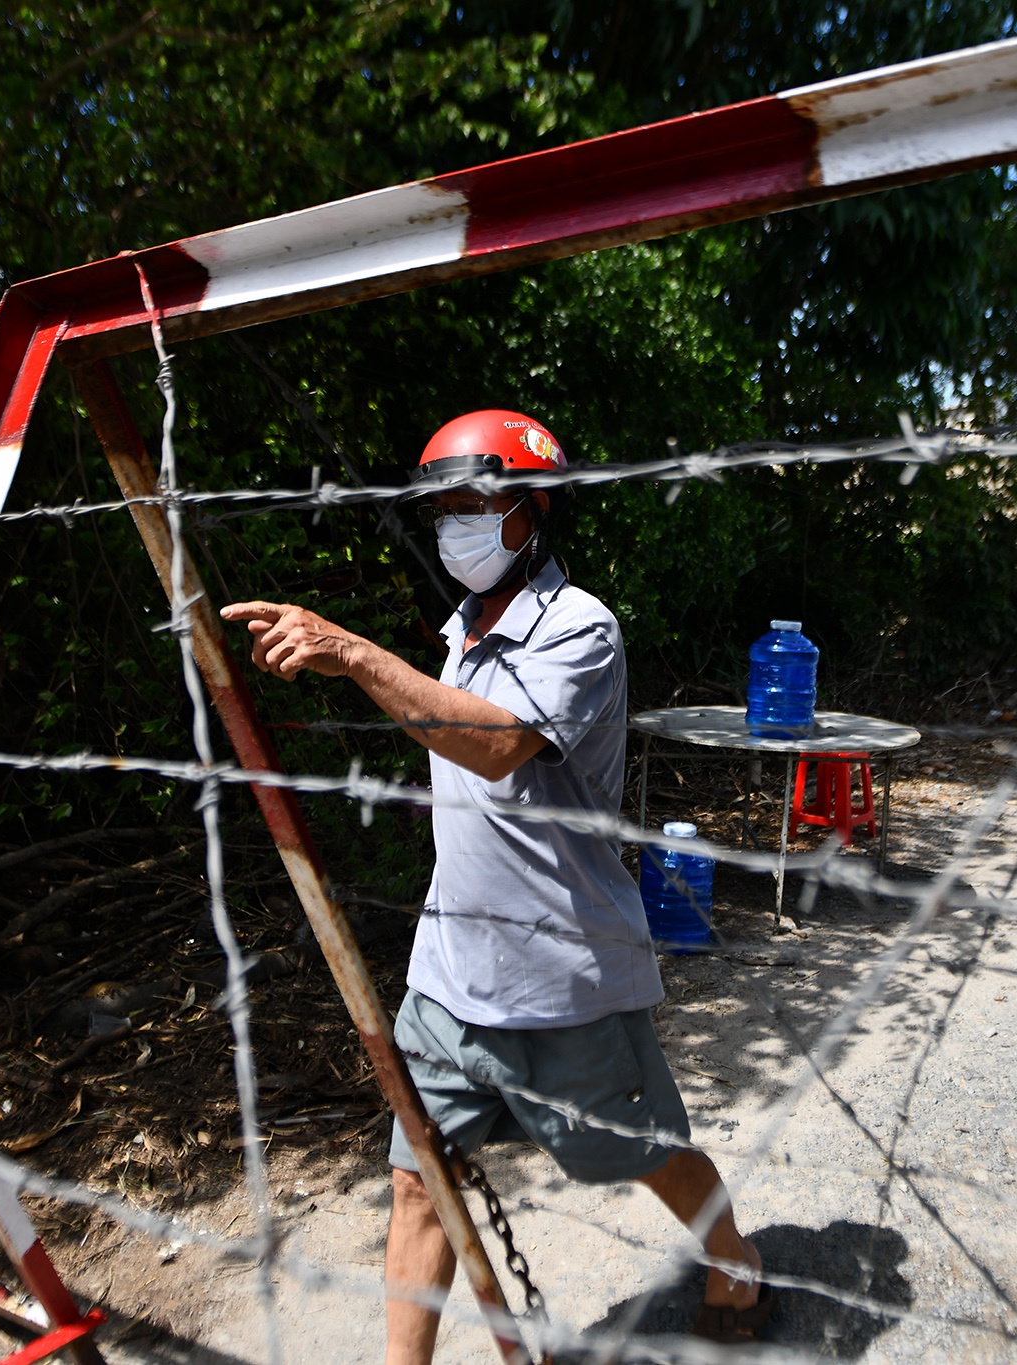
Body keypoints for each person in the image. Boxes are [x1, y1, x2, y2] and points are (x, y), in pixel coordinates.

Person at [222, 409, 770, 1362]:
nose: (455, 524)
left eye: (475, 502)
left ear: (532, 510)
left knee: (645, 1154)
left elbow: (498, 743)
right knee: (416, 1180)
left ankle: (735, 1260)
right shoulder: (459, 632)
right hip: (448, 971)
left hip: (565, 979)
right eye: (443, 507)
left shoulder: (581, 628)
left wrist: (351, 652)